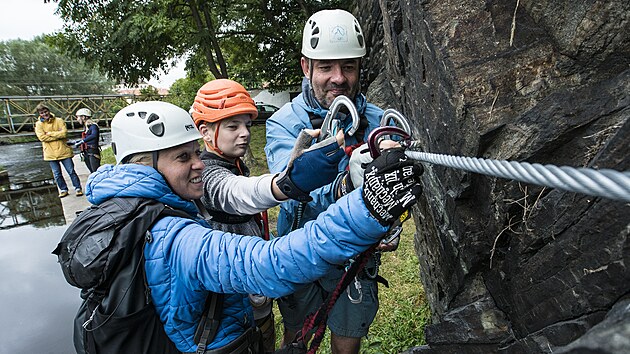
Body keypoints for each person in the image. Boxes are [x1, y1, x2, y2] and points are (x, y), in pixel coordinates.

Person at [84, 100, 421, 352]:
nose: (199, 164)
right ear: (147, 162)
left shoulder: (122, 209)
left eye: (196, 153)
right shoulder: (176, 239)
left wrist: (291, 179)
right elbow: (270, 265)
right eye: (183, 157)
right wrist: (368, 207)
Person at [264, 9, 390, 354]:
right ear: (306, 67)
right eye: (326, 67)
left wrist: (390, 219)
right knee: (297, 340)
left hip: (354, 255)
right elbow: (288, 191)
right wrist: (344, 187)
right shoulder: (285, 124)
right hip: (299, 249)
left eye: (348, 67)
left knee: (346, 344)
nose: (338, 78)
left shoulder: (378, 123)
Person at [191, 78, 345, 353]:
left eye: (247, 125)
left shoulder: (234, 165)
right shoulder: (206, 175)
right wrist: (287, 182)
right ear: (205, 131)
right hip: (230, 305)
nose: (245, 133)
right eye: (232, 126)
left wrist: (288, 170)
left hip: (252, 295)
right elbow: (239, 193)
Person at [35, 103, 83, 198]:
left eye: (46, 111)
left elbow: (64, 134)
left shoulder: (59, 120)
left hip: (64, 150)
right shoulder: (38, 124)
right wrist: (56, 134)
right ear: (39, 114)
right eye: (42, 113)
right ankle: (63, 190)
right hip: (50, 153)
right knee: (57, 174)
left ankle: (78, 188)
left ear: (49, 111)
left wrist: (49, 133)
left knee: (71, 171)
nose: (45, 114)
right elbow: (42, 138)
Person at [73, 108, 101, 173]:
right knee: (92, 171)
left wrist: (82, 141)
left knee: (96, 171)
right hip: (87, 152)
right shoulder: (86, 127)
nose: (77, 119)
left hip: (92, 151)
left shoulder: (93, 126)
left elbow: (94, 135)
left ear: (83, 117)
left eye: (78, 117)